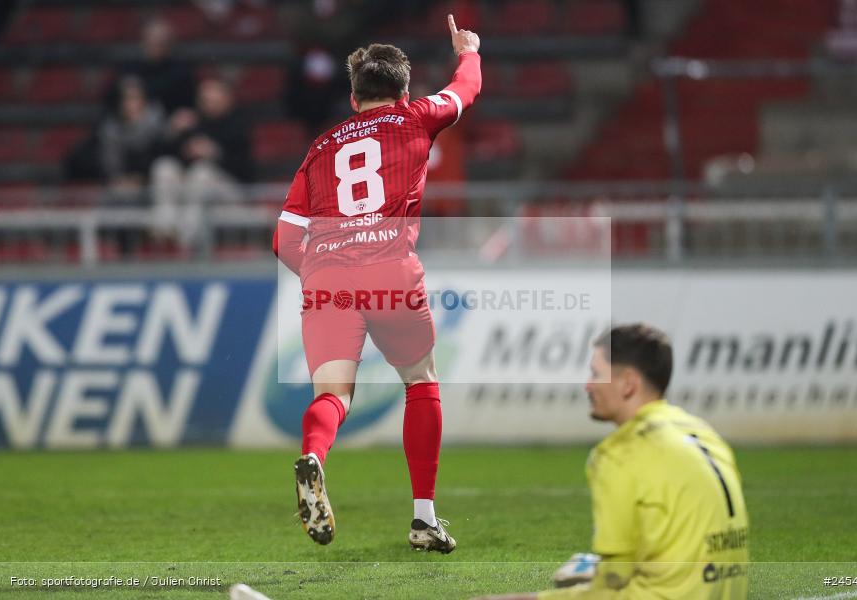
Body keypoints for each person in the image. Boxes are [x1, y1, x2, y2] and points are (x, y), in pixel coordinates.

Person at [272, 14, 481, 551]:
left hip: (327, 278)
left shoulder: (320, 149)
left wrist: (324, 273)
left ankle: (315, 455)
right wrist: (468, 52)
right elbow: (466, 90)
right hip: (390, 270)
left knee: (333, 395)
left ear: (352, 96)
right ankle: (424, 518)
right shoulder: (416, 118)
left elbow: (284, 238)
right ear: (403, 90)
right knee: (421, 381)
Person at [477, 324, 749, 600]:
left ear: (628, 383)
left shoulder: (619, 454)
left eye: (596, 373)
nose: (587, 384)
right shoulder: (705, 434)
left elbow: (612, 584)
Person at [150, 77, 253, 251]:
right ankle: (165, 231)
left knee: (202, 172)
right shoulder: (193, 123)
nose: (209, 103)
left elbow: (246, 170)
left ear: (227, 99)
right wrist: (172, 132)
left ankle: (184, 244)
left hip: (232, 193)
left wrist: (215, 153)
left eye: (214, 98)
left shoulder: (238, 124)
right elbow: (157, 155)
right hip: (192, 192)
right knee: (164, 166)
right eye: (205, 99)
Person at [104, 18, 197, 117]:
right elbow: (109, 99)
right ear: (143, 41)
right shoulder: (128, 68)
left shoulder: (181, 72)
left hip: (167, 124)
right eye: (151, 40)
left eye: (161, 42)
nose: (156, 45)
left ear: (169, 44)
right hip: (129, 124)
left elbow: (188, 106)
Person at [98, 76, 165, 202]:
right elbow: (110, 165)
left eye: (135, 98)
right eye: (127, 99)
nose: (131, 104)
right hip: (122, 183)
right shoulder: (111, 129)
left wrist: (141, 179)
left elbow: (160, 158)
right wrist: (121, 179)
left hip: (152, 184)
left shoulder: (158, 125)